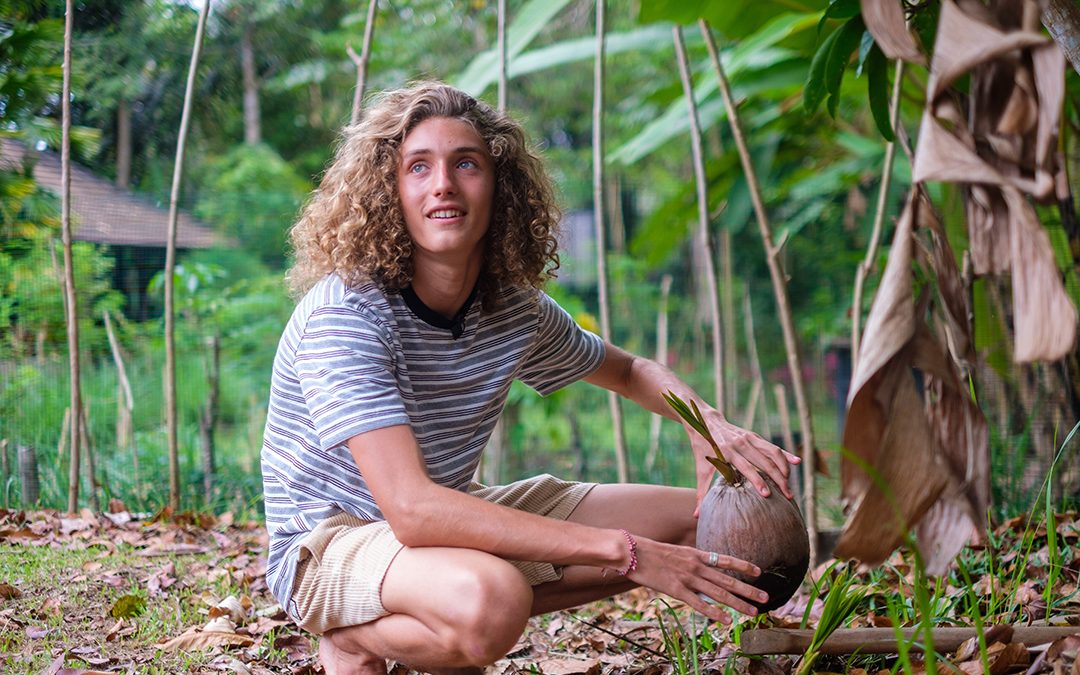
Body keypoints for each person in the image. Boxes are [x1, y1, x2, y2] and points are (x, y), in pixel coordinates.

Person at [261, 81, 800, 675]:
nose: (443, 184)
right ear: (388, 190)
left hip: (445, 525)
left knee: (697, 524)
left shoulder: (511, 308)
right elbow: (412, 509)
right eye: (418, 167)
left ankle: (431, 618)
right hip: (331, 546)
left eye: (466, 164)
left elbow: (629, 370)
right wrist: (627, 554)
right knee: (494, 600)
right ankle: (359, 635)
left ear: (501, 187)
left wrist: (708, 427)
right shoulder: (347, 314)